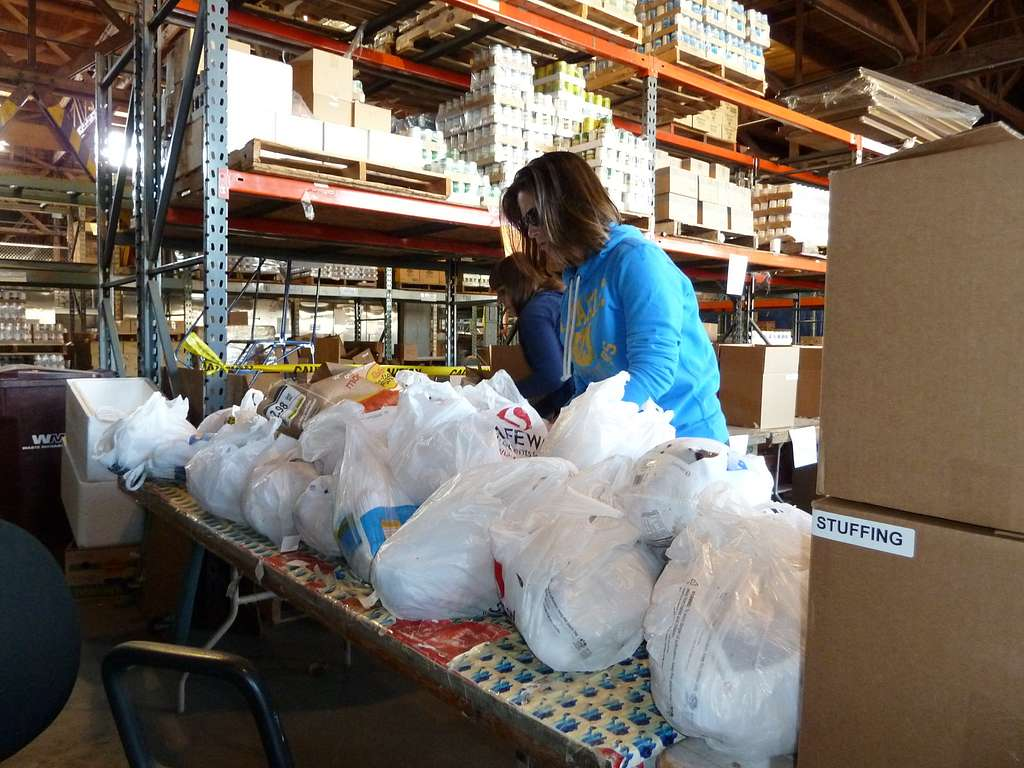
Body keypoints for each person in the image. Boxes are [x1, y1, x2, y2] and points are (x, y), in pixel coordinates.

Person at [501, 151, 728, 442]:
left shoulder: (636, 261)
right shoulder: (575, 283)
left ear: (568, 206)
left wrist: (587, 432)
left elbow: (654, 371)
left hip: (685, 445)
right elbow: (586, 383)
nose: (531, 233)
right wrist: (565, 423)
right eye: (525, 222)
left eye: (534, 217)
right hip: (626, 444)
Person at [489, 256, 573, 420]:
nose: (500, 302)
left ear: (516, 287)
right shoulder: (556, 299)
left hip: (575, 407)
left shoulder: (534, 314)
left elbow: (553, 376)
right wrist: (539, 412)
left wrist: (501, 395)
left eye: (502, 293)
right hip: (584, 401)